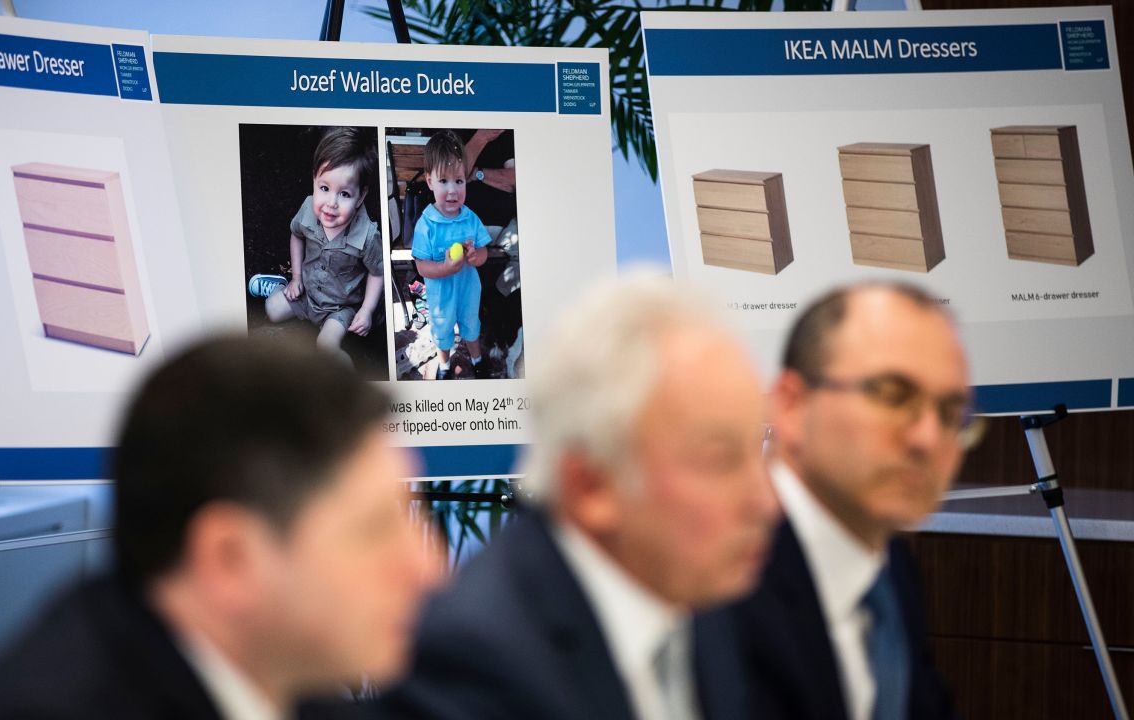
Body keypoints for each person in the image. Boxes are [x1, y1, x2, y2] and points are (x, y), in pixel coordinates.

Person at [0, 337, 439, 720]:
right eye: (373, 530)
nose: (429, 571)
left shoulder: (292, 680)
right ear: (229, 560)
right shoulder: (50, 707)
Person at [379, 272, 779, 720]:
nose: (766, 502)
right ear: (592, 485)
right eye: (721, 460)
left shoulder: (715, 604)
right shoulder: (477, 665)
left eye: (760, 449)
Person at [716, 282, 972, 720]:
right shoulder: (720, 580)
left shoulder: (889, 569)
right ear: (792, 406)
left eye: (951, 412)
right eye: (891, 395)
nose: (928, 438)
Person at [249, 126, 384, 365]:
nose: (331, 203)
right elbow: (296, 235)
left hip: (339, 307)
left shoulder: (366, 235)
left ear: (361, 196)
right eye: (324, 189)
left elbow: (377, 272)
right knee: (272, 309)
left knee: (325, 346)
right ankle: (281, 286)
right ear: (314, 181)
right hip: (307, 290)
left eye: (344, 194)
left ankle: (345, 381)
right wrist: (297, 277)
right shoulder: (309, 210)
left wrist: (366, 310)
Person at [411, 129, 492, 380]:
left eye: (459, 181)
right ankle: (444, 364)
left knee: (471, 326)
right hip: (441, 296)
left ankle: (476, 358)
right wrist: (445, 269)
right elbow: (422, 267)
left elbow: (484, 252)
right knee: (442, 331)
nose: (452, 190)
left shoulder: (470, 218)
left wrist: (475, 256)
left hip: (468, 289)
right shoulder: (426, 224)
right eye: (443, 181)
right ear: (429, 181)